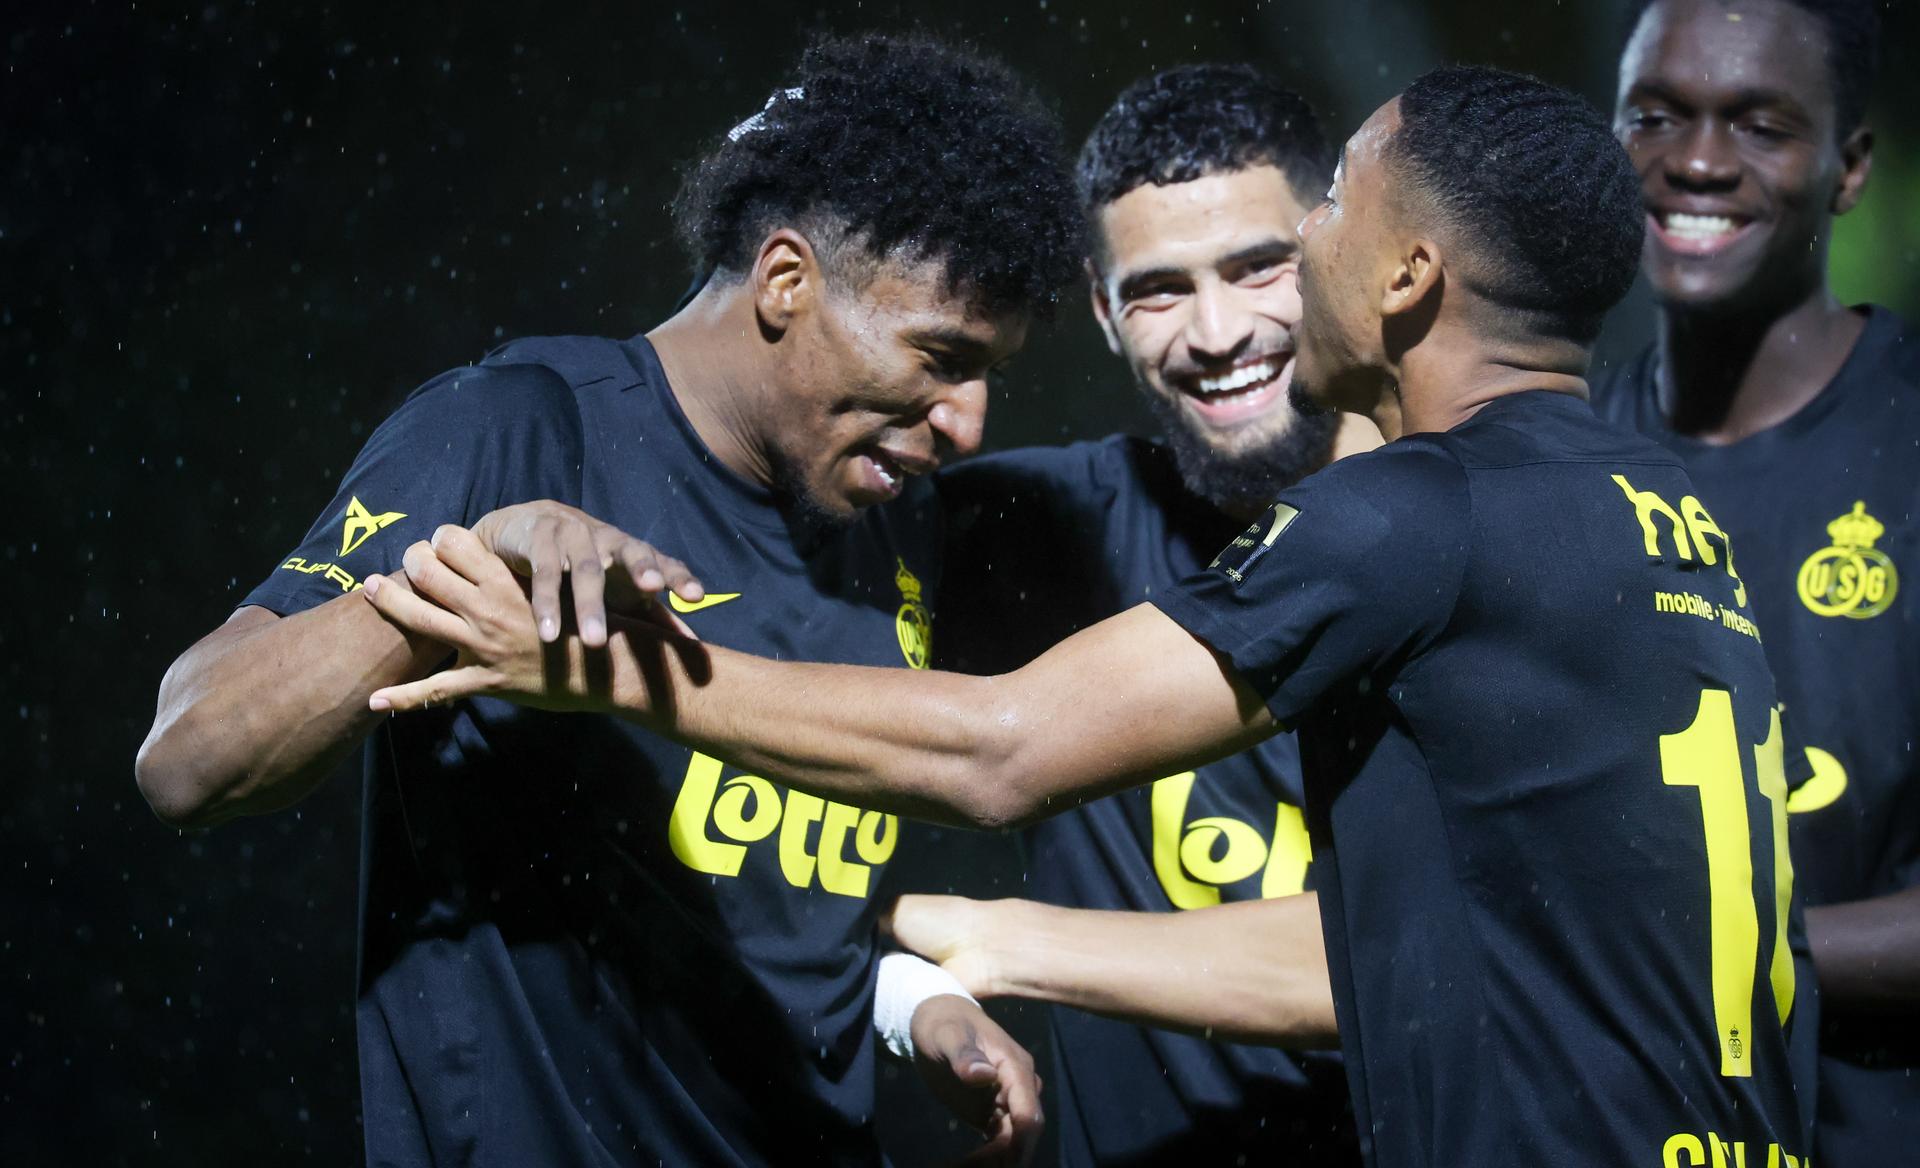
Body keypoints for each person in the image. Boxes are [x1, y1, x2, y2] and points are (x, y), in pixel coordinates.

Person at [367, 65, 1817, 1167]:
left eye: (1311, 220)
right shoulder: (1662, 512)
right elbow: (1429, 939)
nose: (1267, 282)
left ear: (1408, 273)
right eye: (1161, 287)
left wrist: (602, 663)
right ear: (1108, 314)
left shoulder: (1411, 520)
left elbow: (1001, 751)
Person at [135, 34, 1083, 1167]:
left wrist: (909, 1003)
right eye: (940, 356)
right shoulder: (520, 428)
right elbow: (190, 758)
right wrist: (458, 573)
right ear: (787, 279)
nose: (968, 423)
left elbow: (775, 904)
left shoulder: (890, 515)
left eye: (990, 376)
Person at [897, 64, 1370, 1166]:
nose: (1216, 332)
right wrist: (534, 504)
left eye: (1261, 268)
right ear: (1105, 313)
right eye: (1160, 289)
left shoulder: (1487, 539)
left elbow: (1435, 955)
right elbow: (738, 530)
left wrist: (998, 941)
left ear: (1343, 260)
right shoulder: (1042, 534)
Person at [1600, 0, 1919, 1159]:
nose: (1694, 161)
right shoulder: (1559, 459)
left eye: (1760, 124)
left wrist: (1716, 948)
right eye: (1656, 116)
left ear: (1850, 168)